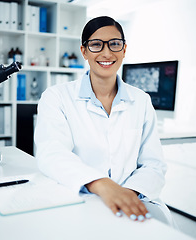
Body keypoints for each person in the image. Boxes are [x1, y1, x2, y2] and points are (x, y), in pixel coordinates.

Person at [34, 16, 175, 225]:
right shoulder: (57, 97)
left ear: (124, 50)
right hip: (80, 197)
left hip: (133, 197)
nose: (107, 53)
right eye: (96, 45)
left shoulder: (141, 101)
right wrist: (102, 185)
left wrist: (125, 194)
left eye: (115, 44)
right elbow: (52, 154)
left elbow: (153, 164)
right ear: (84, 51)